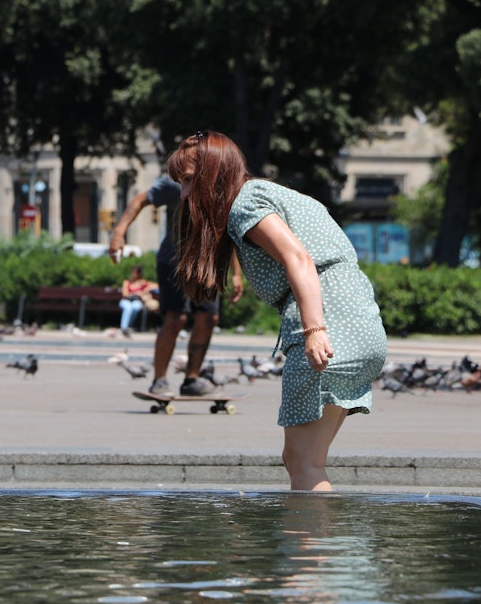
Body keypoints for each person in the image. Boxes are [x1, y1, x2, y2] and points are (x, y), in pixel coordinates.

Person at [167, 130, 387, 491]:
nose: (184, 194)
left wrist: (314, 328)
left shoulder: (245, 203)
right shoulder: (273, 193)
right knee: (304, 460)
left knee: (303, 464)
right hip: (362, 324)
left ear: (213, 173)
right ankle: (335, 547)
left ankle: (311, 546)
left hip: (329, 325)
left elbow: (297, 257)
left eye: (190, 181)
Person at [109, 176, 243, 397]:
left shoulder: (221, 185)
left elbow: (228, 231)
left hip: (207, 265)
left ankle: (191, 378)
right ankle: (159, 379)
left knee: (208, 319)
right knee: (176, 317)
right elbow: (140, 200)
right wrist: (119, 232)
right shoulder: (175, 184)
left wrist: (236, 273)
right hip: (174, 261)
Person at [118, 265, 158, 338]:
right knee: (128, 307)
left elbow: (157, 285)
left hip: (136, 301)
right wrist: (137, 293)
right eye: (133, 272)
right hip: (126, 301)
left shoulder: (143, 283)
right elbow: (125, 294)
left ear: (139, 274)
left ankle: (128, 326)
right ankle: (123, 327)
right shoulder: (127, 282)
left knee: (136, 306)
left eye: (136, 273)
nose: (134, 274)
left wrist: (147, 289)